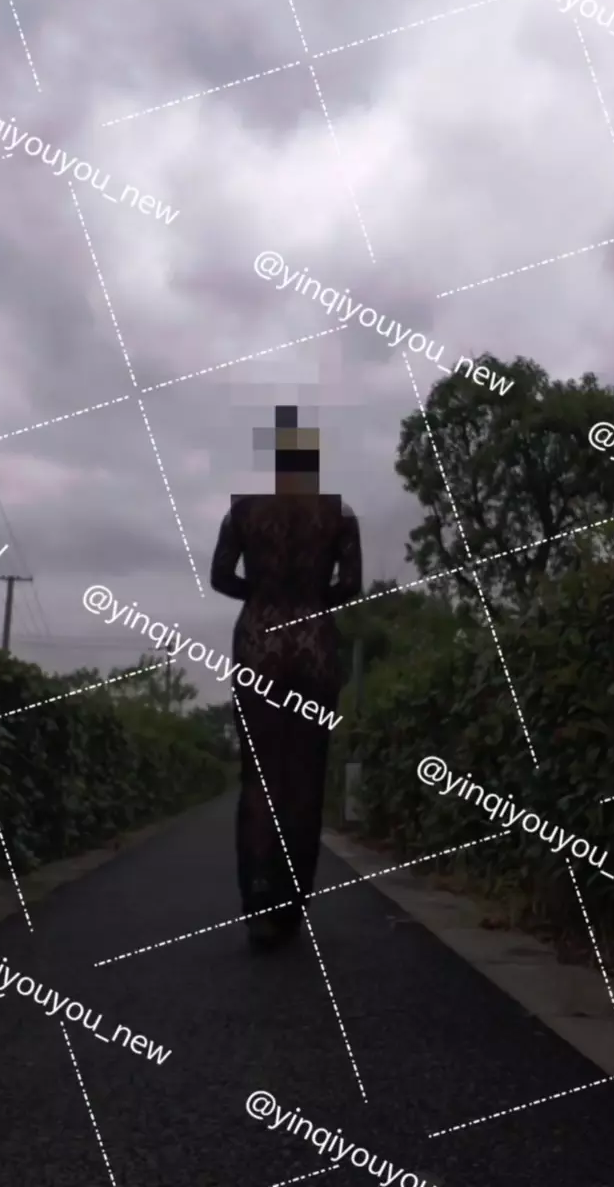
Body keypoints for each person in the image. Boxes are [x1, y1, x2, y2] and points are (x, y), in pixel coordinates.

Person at [210, 406, 363, 950]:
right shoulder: (339, 513)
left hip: (259, 645)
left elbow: (220, 577)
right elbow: (352, 586)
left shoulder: (242, 511)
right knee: (305, 779)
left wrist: (261, 594)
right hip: (314, 648)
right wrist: (313, 598)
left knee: (259, 778)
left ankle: (257, 901)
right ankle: (291, 907)